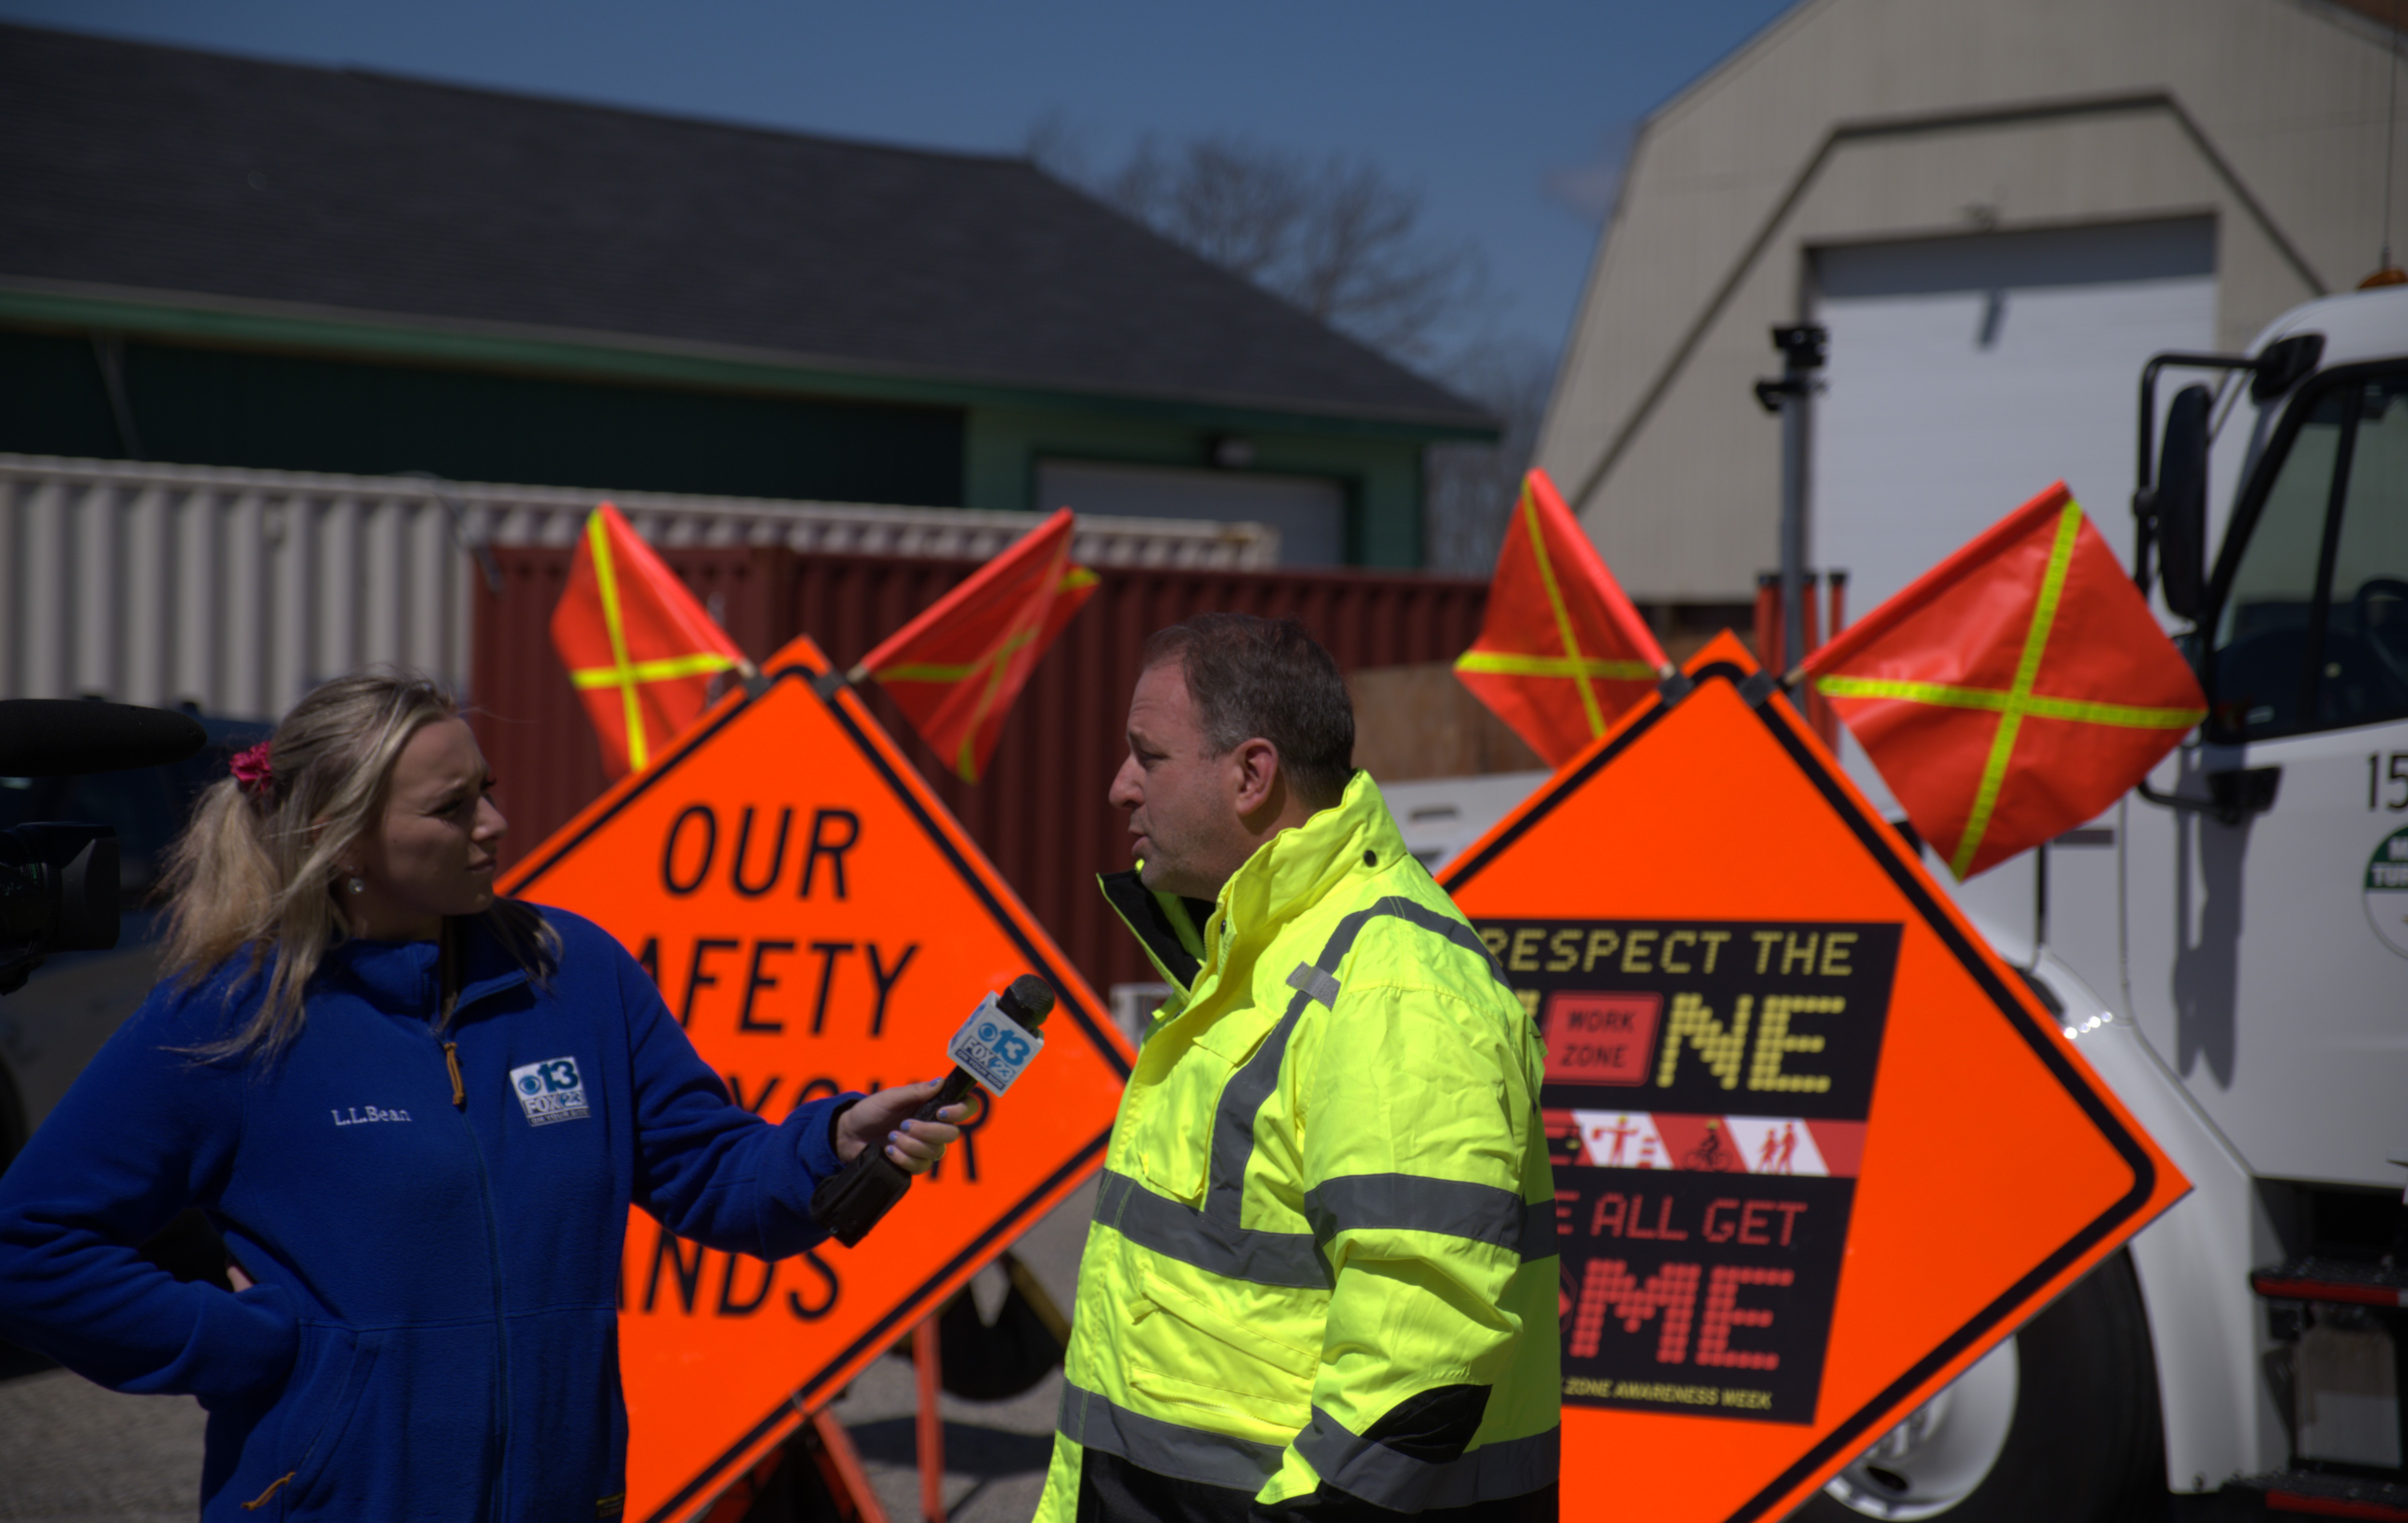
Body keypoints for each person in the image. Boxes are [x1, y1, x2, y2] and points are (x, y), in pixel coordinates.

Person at [0, 669, 963, 1520]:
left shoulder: (576, 972)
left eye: (487, 791)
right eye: (452, 808)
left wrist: (831, 1141)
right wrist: (250, 1348)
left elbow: (709, 1172)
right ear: (343, 844)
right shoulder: (236, 1015)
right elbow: (30, 1243)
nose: (494, 825)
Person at [1038, 615, 1559, 1523]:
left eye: (1149, 756)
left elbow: (1421, 1351)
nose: (1121, 787)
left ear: (1252, 775)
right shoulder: (1255, 957)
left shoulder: (1394, 988)